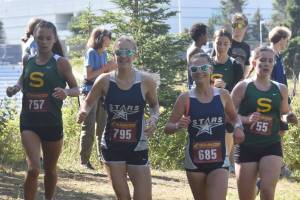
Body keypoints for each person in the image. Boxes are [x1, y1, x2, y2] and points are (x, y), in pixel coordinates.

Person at [77, 35, 159, 200]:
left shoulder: (146, 81)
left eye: (128, 51)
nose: (123, 55)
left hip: (138, 145)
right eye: (119, 52)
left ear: (135, 55)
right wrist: (83, 111)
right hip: (112, 146)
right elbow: (87, 102)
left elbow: (154, 105)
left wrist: (154, 118)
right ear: (114, 55)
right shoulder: (104, 80)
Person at [6, 20, 80, 200]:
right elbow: (23, 80)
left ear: (54, 40)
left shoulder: (61, 63)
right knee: (33, 169)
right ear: (34, 38)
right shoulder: (28, 59)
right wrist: (15, 88)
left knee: (50, 170)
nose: (44, 42)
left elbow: (77, 89)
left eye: (48, 38)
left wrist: (66, 92)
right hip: (29, 121)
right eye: (40, 38)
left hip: (52, 123)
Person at [164, 52, 244, 200]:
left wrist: (238, 128)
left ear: (211, 69)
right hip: (195, 162)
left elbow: (234, 118)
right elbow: (167, 128)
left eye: (203, 67)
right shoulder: (185, 98)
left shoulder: (223, 95)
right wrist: (177, 126)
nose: (199, 72)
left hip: (219, 160)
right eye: (194, 69)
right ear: (190, 72)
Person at [231, 46, 297, 200]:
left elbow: (283, 113)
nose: (267, 64)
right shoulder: (243, 86)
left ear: (274, 63)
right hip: (246, 144)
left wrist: (289, 117)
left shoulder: (281, 88)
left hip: (271, 144)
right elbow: (229, 114)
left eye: (270, 61)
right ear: (254, 63)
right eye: (263, 60)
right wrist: (246, 120)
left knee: (267, 191)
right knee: (246, 196)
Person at [80, 27, 117, 170]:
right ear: (100, 38)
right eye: (108, 37)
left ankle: (103, 159)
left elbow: (104, 72)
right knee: (88, 127)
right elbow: (89, 76)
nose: (110, 40)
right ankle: (84, 161)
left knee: (103, 128)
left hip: (102, 93)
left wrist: (112, 67)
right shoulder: (91, 53)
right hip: (89, 93)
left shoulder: (105, 53)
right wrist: (106, 67)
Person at [211, 29, 244, 173]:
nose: (221, 47)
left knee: (229, 124)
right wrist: (212, 87)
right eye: (218, 43)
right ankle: (216, 158)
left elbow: (240, 89)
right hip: (209, 102)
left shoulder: (235, 65)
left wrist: (226, 87)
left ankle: (228, 159)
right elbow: (198, 84)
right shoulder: (207, 63)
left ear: (230, 45)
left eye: (225, 44)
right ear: (213, 43)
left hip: (229, 104)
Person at [186, 23, 208, 89]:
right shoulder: (197, 51)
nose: (207, 37)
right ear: (202, 35)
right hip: (197, 87)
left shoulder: (190, 49)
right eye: (206, 34)